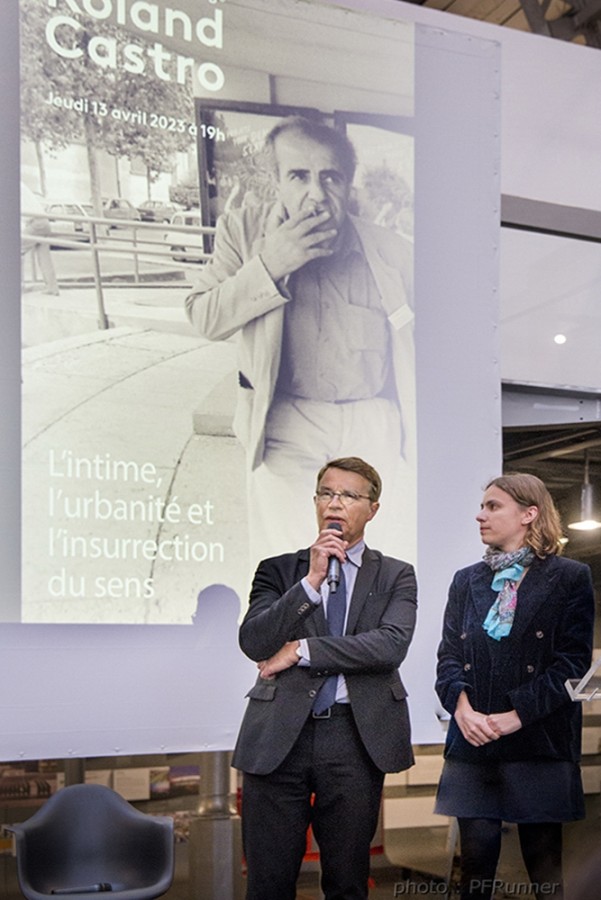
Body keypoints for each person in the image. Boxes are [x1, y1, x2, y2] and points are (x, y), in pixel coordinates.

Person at [185, 116, 415, 564]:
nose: (315, 193)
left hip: (372, 417)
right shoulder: (243, 232)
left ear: (347, 184)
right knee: (288, 556)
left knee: (376, 556)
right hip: (286, 417)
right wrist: (271, 263)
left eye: (330, 177)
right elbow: (205, 317)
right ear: (276, 181)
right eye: (298, 176)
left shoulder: (391, 248)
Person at [232, 456, 417, 900]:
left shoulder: (395, 575)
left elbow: (389, 645)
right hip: (279, 738)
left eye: (350, 496)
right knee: (269, 881)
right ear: (315, 502)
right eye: (327, 494)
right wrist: (311, 583)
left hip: (354, 736)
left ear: (372, 508)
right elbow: (255, 642)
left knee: (347, 881)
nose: (335, 504)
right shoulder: (279, 571)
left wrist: (303, 650)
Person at [434, 473, 595, 900]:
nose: (479, 515)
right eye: (482, 506)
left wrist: (514, 717)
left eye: (492, 506)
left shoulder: (570, 578)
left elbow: (573, 665)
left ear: (529, 514)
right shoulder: (465, 580)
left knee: (546, 877)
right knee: (475, 877)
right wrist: (463, 711)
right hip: (474, 741)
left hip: (538, 741)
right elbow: (448, 657)